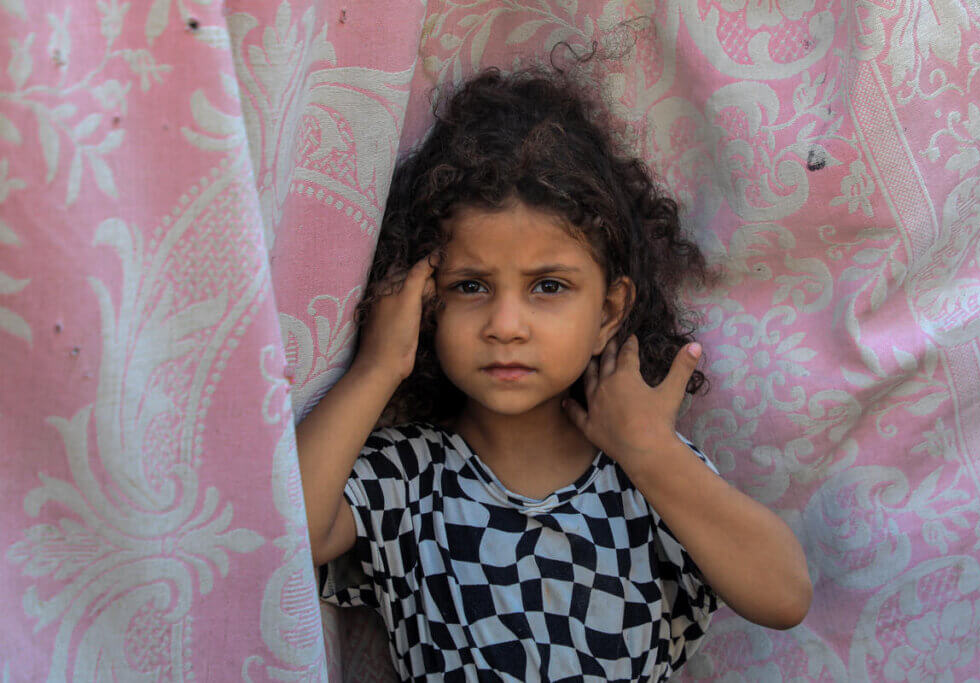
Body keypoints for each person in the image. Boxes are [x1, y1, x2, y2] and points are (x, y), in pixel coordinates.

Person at [298, 66, 812, 682]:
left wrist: (649, 449)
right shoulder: (407, 476)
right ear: (424, 301)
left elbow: (784, 598)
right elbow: (284, 531)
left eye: (549, 286)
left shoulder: (649, 476)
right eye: (470, 286)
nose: (506, 324)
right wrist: (378, 367)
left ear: (609, 311)